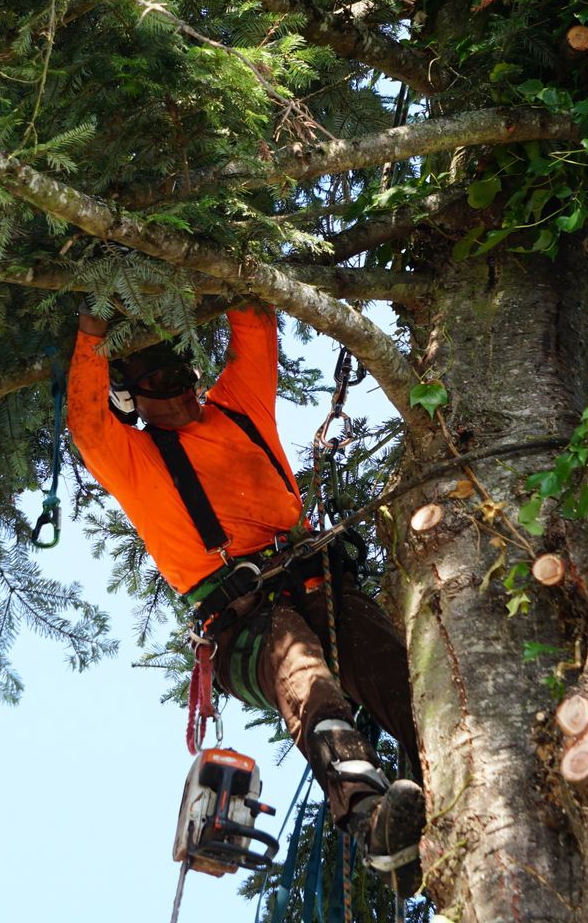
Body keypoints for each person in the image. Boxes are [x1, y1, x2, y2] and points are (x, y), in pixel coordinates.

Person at [68, 306, 426, 896]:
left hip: (320, 587)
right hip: (242, 622)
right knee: (304, 676)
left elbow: (256, 327)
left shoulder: (237, 405)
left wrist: (227, 253)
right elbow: (84, 421)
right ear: (130, 397)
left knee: (395, 671)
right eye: (156, 381)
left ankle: (452, 784)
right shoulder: (132, 458)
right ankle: (369, 818)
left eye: (179, 371)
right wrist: (90, 333)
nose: (177, 390)